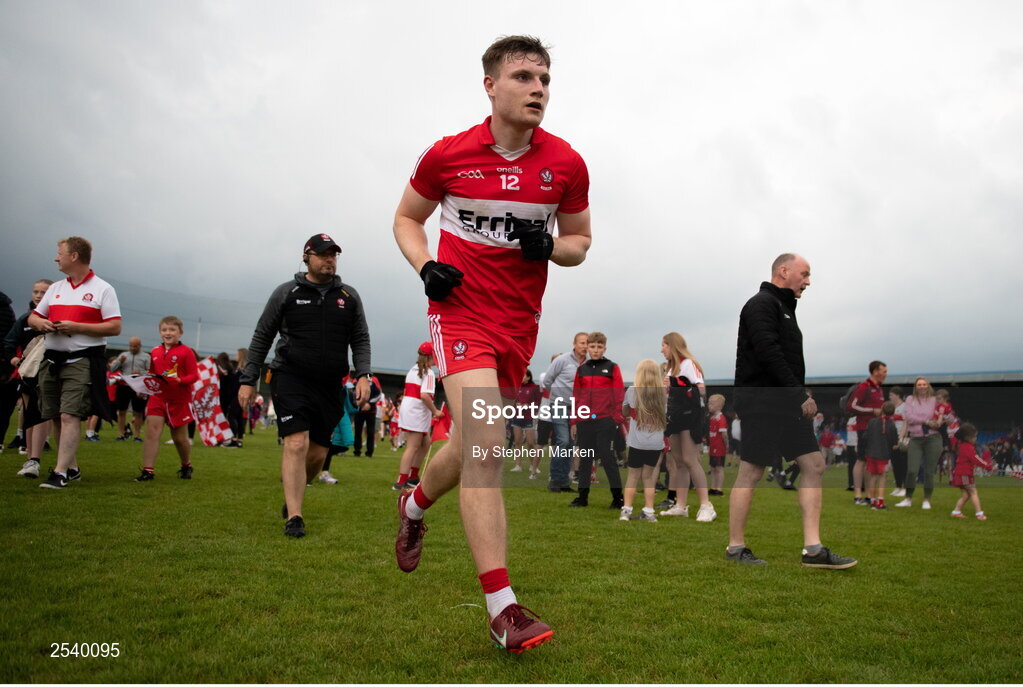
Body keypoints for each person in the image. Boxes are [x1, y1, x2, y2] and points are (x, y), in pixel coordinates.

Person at [391, 35, 591, 652]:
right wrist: (426, 265)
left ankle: (415, 505)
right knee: (488, 442)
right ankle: (502, 607)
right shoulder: (448, 156)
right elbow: (406, 219)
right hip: (459, 315)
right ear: (491, 86)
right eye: (526, 77)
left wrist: (550, 246)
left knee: (474, 440)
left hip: (518, 326)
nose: (539, 89)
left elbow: (580, 243)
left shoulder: (567, 163)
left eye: (546, 79)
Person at [727, 253, 856, 568]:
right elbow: (768, 352)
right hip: (762, 403)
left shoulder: (784, 308)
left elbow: (782, 359)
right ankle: (735, 548)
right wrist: (798, 393)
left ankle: (813, 550)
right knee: (751, 471)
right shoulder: (761, 304)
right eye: (805, 273)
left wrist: (800, 391)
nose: (808, 281)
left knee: (813, 465)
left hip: (786, 404)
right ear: (783, 271)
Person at [240, 233, 371, 538]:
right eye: (324, 254)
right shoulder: (287, 292)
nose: (330, 260)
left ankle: (293, 492)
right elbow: (262, 337)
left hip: (329, 384)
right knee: (296, 443)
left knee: (316, 455)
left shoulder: (348, 297)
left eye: (334, 255)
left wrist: (363, 374)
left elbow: (360, 338)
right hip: (290, 377)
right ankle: (294, 516)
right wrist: (249, 380)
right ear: (306, 257)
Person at [30, 237, 121, 489]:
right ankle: (71, 468)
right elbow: (34, 317)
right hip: (51, 359)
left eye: (59, 253)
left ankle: (59, 473)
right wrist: (43, 324)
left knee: (70, 414)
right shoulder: (56, 287)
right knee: (57, 416)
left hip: (81, 360)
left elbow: (114, 327)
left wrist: (76, 327)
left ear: (74, 256)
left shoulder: (103, 289)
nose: (56, 258)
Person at [132, 317, 198, 481]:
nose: (168, 333)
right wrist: (144, 384)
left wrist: (181, 380)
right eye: (164, 330)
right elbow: (153, 374)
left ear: (180, 333)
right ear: (160, 332)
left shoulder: (186, 352)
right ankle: (148, 471)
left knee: (179, 438)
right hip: (158, 398)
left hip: (179, 400)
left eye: (172, 330)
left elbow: (194, 375)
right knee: (152, 432)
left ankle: (186, 465)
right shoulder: (155, 351)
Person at [660, 332, 715, 521]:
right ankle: (681, 505)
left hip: (690, 417)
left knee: (691, 460)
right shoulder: (670, 368)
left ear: (673, 346)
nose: (662, 350)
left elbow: (701, 390)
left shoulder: (688, 364)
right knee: (679, 462)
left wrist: (676, 383)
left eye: (664, 345)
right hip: (675, 417)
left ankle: (707, 506)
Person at [568, 332, 624, 508]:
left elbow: (618, 393)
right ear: (587, 348)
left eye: (599, 347)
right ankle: (582, 498)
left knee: (607, 459)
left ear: (604, 348)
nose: (595, 350)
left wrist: (615, 417)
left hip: (604, 420)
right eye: (592, 346)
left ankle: (617, 498)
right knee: (585, 460)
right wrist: (574, 420)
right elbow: (576, 396)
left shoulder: (612, 367)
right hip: (585, 421)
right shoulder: (581, 370)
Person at [5, 279, 53, 477]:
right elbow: (9, 341)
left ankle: (36, 458)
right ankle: (30, 459)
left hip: (49, 373)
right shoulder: (25, 319)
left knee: (43, 413)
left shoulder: (57, 318)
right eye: (36, 291)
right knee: (29, 413)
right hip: (28, 374)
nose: (39, 295)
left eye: (44, 292)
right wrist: (14, 359)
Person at [619, 360, 667, 523]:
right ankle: (649, 511)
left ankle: (626, 511)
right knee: (649, 477)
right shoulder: (663, 393)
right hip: (655, 443)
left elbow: (625, 411)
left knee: (632, 477)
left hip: (637, 442)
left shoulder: (632, 391)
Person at [542, 333, 588, 492]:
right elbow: (547, 380)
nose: (584, 346)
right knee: (562, 440)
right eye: (582, 343)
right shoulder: (562, 360)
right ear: (574, 344)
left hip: (578, 408)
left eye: (587, 343)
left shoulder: (590, 364)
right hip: (559, 405)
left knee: (570, 444)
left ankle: (564, 482)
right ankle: (555, 479)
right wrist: (557, 395)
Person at [393, 342, 443, 490]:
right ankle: (401, 480)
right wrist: (436, 411)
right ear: (431, 356)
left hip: (412, 410)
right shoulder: (427, 373)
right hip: (416, 411)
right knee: (413, 446)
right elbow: (425, 396)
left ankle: (413, 477)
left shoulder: (414, 370)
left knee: (425, 443)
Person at [894, 377, 942, 510]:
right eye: (919, 384)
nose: (922, 386)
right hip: (915, 438)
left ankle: (927, 499)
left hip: (932, 438)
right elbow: (909, 417)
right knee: (911, 470)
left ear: (928, 386)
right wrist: (926, 421)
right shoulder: (910, 399)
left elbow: (941, 415)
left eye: (924, 384)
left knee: (929, 471)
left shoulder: (934, 400)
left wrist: (940, 421)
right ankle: (908, 498)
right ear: (915, 387)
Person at [849, 361, 887, 505]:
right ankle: (858, 495)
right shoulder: (864, 387)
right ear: (875, 371)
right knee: (861, 460)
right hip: (864, 428)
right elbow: (851, 406)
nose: (885, 374)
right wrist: (872, 410)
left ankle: (868, 495)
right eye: (883, 371)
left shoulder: (879, 389)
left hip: (876, 429)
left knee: (870, 461)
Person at [109, 336, 151, 442]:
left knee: (138, 412)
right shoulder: (123, 355)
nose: (133, 348)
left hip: (138, 387)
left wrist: (140, 373)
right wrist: (120, 362)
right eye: (131, 346)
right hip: (124, 386)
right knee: (122, 411)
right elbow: (112, 369)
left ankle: (137, 436)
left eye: (135, 346)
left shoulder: (146, 356)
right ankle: (121, 434)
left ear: (140, 346)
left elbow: (150, 372)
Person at [949, 422, 993, 519]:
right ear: (967, 437)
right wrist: (988, 466)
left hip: (960, 474)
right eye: (974, 437)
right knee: (973, 492)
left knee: (966, 495)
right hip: (964, 474)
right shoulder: (968, 447)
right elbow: (976, 459)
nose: (976, 439)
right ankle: (979, 514)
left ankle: (956, 511)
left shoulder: (963, 446)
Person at [863, 401, 899, 510]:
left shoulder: (872, 421)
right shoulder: (891, 424)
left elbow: (865, 436)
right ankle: (880, 502)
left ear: (882, 409)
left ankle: (873, 501)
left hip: (871, 453)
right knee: (882, 477)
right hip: (883, 455)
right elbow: (894, 441)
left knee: (873, 477)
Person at [510, 369, 542, 477]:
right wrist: (515, 405)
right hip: (517, 417)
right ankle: (518, 465)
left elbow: (538, 403)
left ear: (528, 377)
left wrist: (527, 406)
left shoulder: (535, 388)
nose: (521, 377)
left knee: (530, 443)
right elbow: (512, 400)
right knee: (517, 442)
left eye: (523, 375)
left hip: (529, 417)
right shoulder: (517, 387)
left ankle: (533, 466)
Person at [706, 394, 729, 496]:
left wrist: (726, 445)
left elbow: (724, 434)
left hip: (719, 448)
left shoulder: (721, 418)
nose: (709, 406)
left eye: (712, 404)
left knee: (719, 468)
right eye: (709, 403)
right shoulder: (712, 418)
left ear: (719, 406)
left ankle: (719, 489)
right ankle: (713, 487)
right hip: (713, 448)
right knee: (713, 468)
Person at [888, 386, 909, 497]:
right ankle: (898, 486)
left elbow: (906, 424)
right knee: (895, 463)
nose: (890, 397)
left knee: (903, 463)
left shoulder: (904, 407)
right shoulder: (891, 407)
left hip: (901, 437)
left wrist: (900, 439)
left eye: (891, 395)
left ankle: (905, 487)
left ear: (897, 395)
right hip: (892, 437)